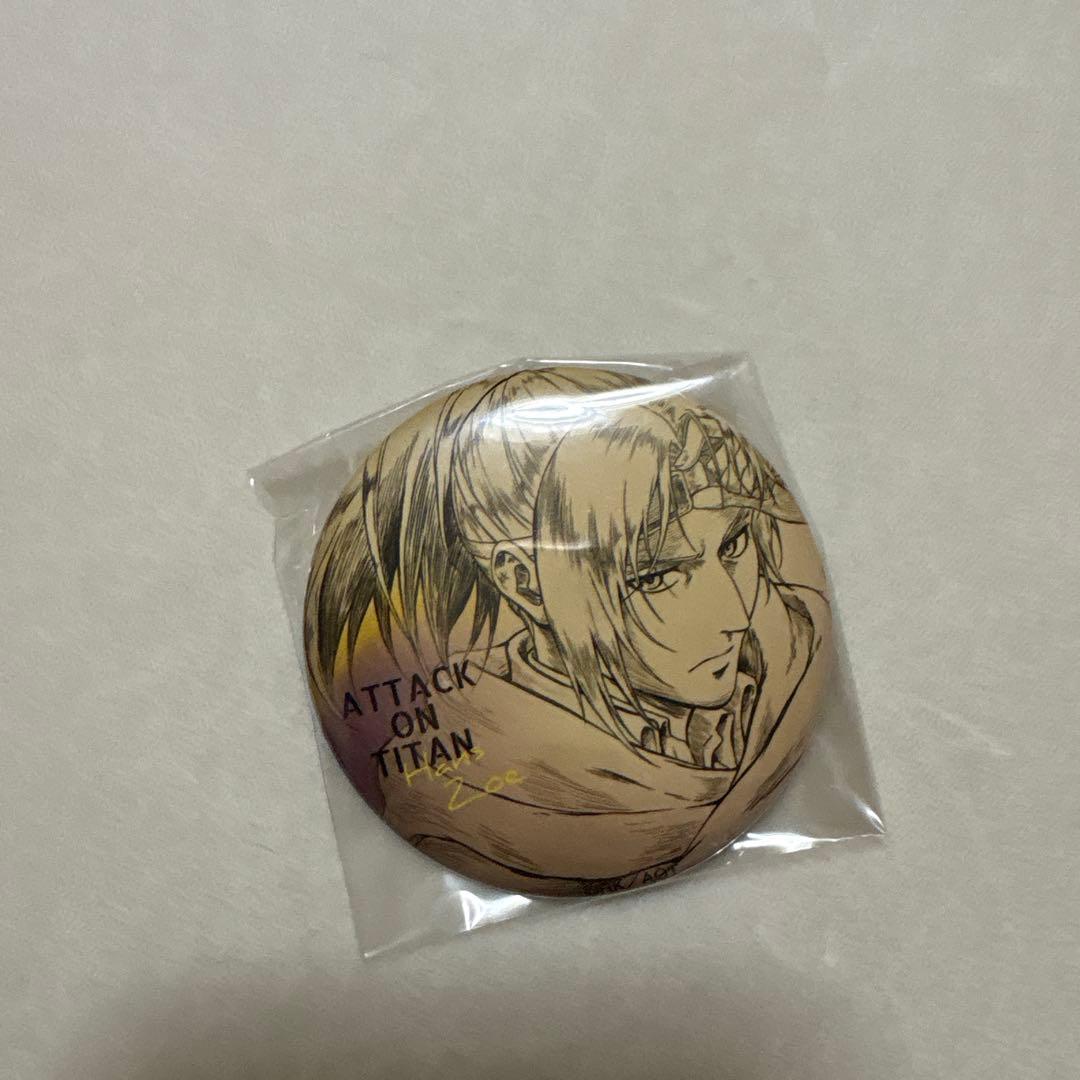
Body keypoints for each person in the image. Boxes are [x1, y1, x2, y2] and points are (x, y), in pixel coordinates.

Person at [305, 367, 830, 895]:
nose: (735, 614)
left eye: (733, 546)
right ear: (525, 584)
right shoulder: (468, 788)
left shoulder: (789, 649)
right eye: (657, 576)